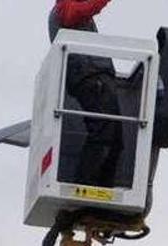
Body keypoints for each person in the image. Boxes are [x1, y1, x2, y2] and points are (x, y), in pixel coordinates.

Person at [49, 0, 124, 186]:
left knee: (116, 138)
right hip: (91, 78)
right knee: (103, 133)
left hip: (97, 78)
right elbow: (73, 14)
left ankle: (102, 191)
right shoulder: (63, 6)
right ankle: (85, 186)